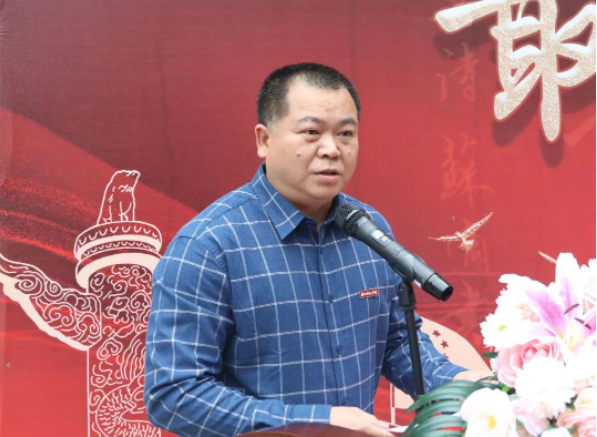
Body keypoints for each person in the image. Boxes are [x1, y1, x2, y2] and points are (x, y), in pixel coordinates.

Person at [144, 63, 483, 437]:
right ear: (264, 139)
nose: (332, 149)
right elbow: (174, 395)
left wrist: (463, 387)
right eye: (311, 132)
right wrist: (315, 421)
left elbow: (396, 342)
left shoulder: (369, 229)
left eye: (345, 134)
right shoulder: (208, 247)